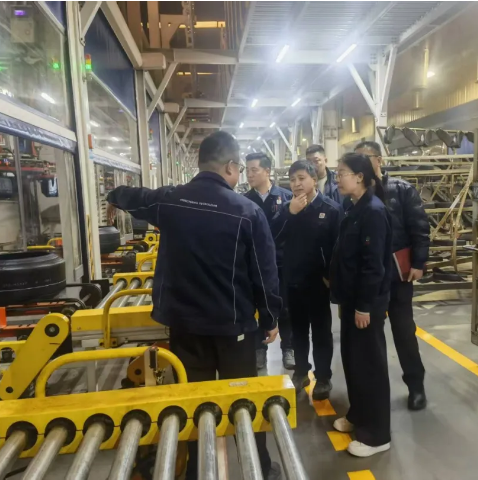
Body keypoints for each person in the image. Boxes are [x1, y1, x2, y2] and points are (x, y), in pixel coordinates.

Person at [106, 131, 282, 480]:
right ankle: (259, 468)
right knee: (242, 401)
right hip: (233, 328)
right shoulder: (247, 211)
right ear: (230, 167)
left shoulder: (169, 201)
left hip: (185, 326)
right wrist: (270, 318)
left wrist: (113, 196)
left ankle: (196, 471)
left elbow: (135, 196)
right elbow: (265, 275)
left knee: (192, 401)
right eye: (239, 169)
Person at [355, 141, 429, 410]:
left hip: (398, 275)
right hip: (370, 278)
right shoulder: (356, 194)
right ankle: (375, 393)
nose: (363, 164)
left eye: (367, 158)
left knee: (404, 332)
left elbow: (419, 227)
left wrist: (418, 262)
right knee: (371, 337)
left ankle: (416, 386)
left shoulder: (402, 190)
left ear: (379, 160)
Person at [329, 153, 392, 458]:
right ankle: (358, 415)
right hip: (352, 300)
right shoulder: (354, 207)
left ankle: (377, 435)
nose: (337, 178)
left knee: (370, 367)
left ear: (360, 177)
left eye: (342, 173)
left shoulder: (374, 212)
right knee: (354, 362)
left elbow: (373, 266)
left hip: (366, 304)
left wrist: (365, 306)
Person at [270, 160, 343, 401]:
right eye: (292, 180)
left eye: (301, 178)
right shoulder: (287, 209)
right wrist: (290, 213)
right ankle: (301, 372)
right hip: (293, 281)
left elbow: (338, 249)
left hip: (319, 284)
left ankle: (323, 377)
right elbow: (272, 236)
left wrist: (331, 277)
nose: (297, 184)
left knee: (321, 332)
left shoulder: (330, 209)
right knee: (297, 331)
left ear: (313, 179)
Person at [243, 152, 295, 371]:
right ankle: (259, 350)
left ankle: (288, 348)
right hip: (253, 265)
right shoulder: (244, 201)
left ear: (267, 171)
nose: (249, 174)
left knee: (285, 307)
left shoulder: (287, 198)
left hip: (281, 264)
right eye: (247, 170)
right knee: (256, 307)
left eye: (254, 170)